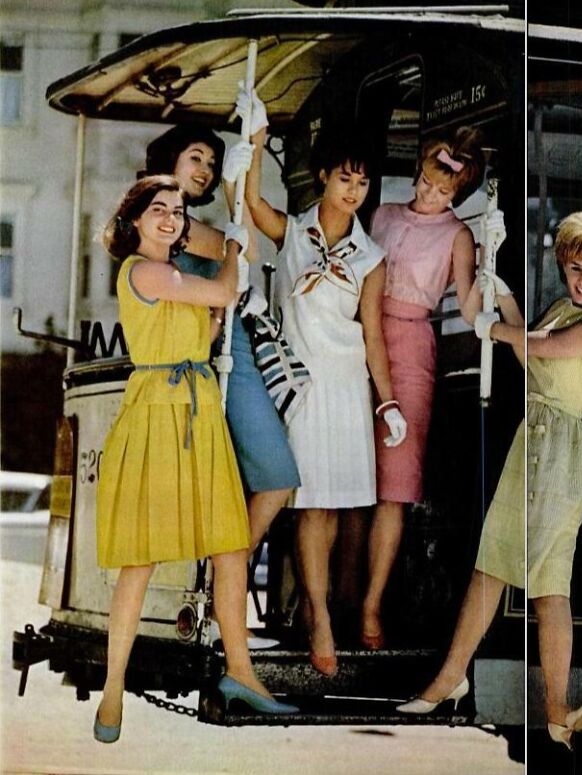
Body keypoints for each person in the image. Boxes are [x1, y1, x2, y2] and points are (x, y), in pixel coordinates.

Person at [398, 196, 582, 752]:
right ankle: (555, 709)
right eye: (575, 268)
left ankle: (450, 678)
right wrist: (497, 284)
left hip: (556, 450)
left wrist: (497, 331)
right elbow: (533, 350)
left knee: (508, 568)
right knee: (541, 582)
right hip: (537, 442)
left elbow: (544, 348)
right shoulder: (564, 305)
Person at [93, 176, 297, 744]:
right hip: (161, 413)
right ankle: (112, 691)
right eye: (158, 209)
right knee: (142, 559)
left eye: (178, 211)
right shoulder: (144, 270)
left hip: (196, 408)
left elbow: (205, 323)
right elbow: (225, 291)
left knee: (231, 544)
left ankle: (242, 672)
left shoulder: (172, 274)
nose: (170, 219)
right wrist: (233, 245)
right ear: (134, 219)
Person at [233, 87, 407, 676]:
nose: (354, 191)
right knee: (309, 507)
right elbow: (250, 200)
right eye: (345, 179)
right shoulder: (292, 233)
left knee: (336, 506)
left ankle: (324, 607)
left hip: (347, 387)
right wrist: (254, 141)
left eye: (362, 183)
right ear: (324, 177)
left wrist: (387, 404)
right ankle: (319, 615)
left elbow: (375, 335)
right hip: (300, 385)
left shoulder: (371, 257)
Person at [140, 126, 301, 559]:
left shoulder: (188, 225)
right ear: (169, 159)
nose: (206, 170)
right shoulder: (177, 226)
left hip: (230, 353)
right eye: (197, 158)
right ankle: (223, 576)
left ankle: (226, 572)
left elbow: (242, 251)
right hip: (202, 359)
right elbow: (240, 250)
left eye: (212, 165)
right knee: (261, 477)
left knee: (273, 476)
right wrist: (236, 186)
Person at [357, 128, 483, 649]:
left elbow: (471, 310)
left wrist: (488, 272)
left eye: (444, 193)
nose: (431, 197)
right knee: (346, 471)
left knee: (394, 485)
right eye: (428, 185)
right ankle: (337, 599)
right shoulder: (383, 214)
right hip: (356, 336)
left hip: (411, 347)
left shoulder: (459, 237)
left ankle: (371, 608)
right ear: (417, 175)